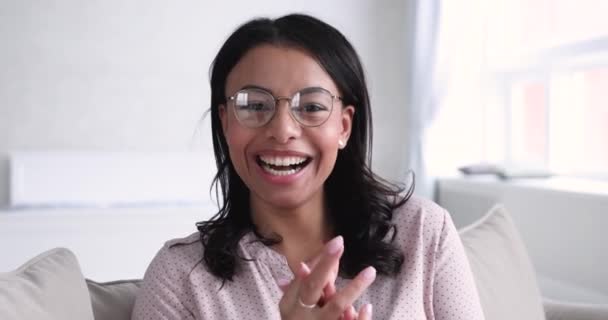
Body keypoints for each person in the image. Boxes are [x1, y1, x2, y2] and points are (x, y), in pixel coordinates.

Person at [132, 13, 484, 320]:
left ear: (344, 127)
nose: (283, 130)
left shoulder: (425, 233)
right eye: (254, 105)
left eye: (312, 107)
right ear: (225, 124)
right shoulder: (178, 278)